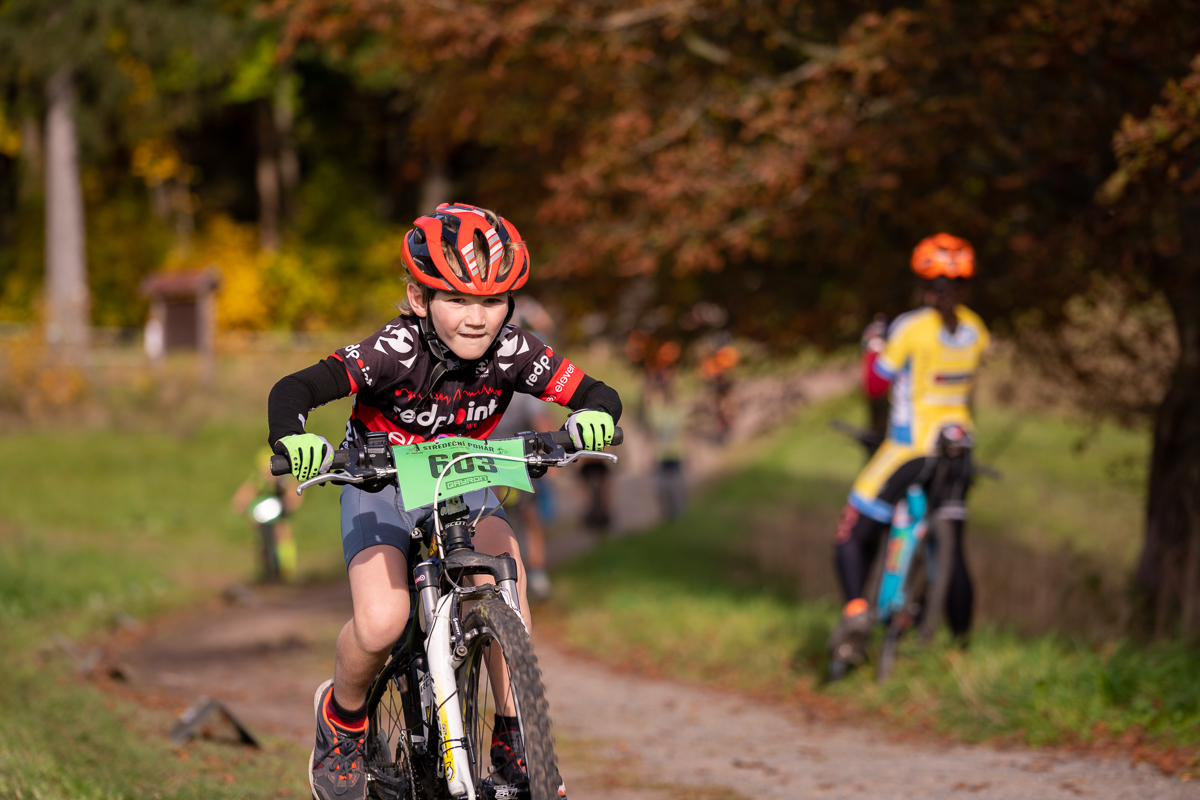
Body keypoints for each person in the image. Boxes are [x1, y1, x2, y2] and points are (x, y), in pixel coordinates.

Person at [266, 203, 622, 800]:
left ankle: (515, 739)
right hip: (380, 481)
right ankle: (343, 720)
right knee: (383, 621)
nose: (476, 318)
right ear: (418, 297)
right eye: (456, 299)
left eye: (492, 301)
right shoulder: (395, 349)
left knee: (506, 586)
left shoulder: (514, 350)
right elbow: (295, 388)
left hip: (461, 477)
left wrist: (594, 417)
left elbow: (597, 392)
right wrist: (294, 437)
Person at [828, 233, 989, 672]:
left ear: (922, 283)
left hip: (910, 447)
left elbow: (875, 384)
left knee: (852, 529)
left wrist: (873, 346)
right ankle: (960, 651)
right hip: (959, 448)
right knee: (955, 551)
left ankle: (856, 611)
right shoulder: (975, 329)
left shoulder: (910, 328)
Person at [230, 447, 301, 583]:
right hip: (263, 517)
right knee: (263, 543)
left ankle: (287, 571)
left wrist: (289, 502)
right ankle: (267, 572)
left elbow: (295, 494)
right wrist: (246, 509)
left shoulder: (283, 481)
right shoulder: (257, 480)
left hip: (279, 515)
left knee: (283, 535)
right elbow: (241, 498)